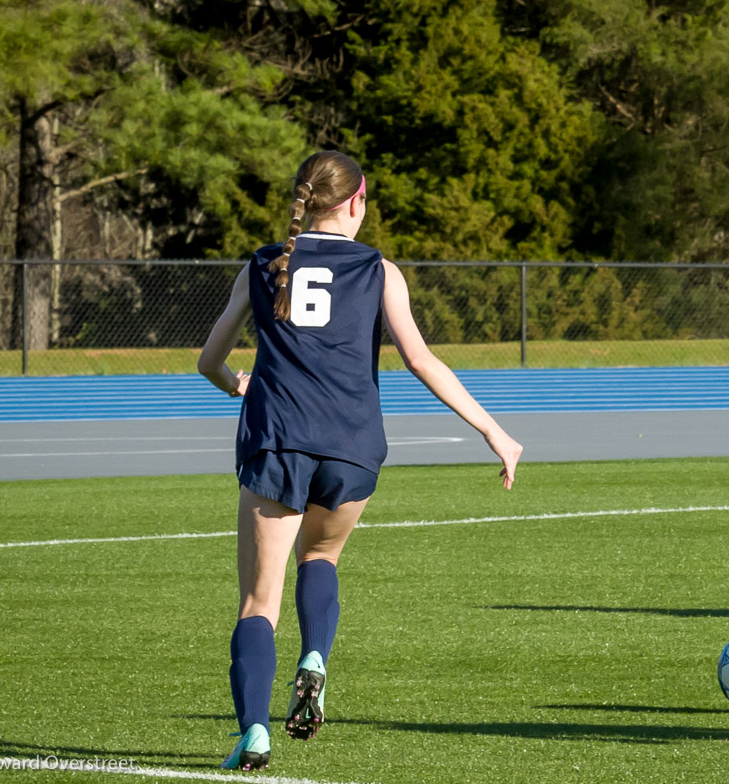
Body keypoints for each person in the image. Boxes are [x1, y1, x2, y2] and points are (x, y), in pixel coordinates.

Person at [197, 150, 523, 771]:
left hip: (280, 441)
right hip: (353, 447)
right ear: (357, 202)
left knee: (257, 604)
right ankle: (315, 655)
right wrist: (493, 431)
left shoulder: (265, 264)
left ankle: (254, 733)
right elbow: (422, 360)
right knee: (320, 556)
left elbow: (209, 360)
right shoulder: (380, 270)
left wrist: (239, 383)